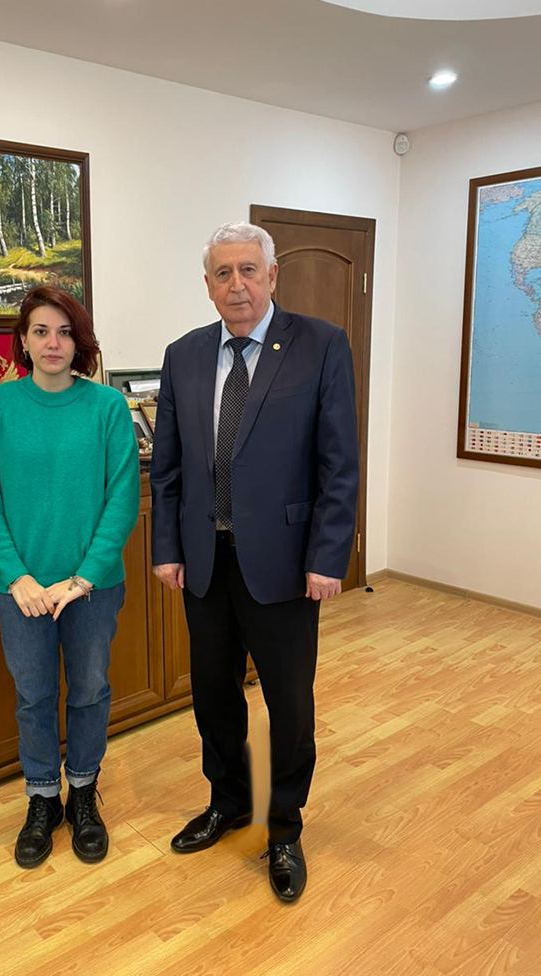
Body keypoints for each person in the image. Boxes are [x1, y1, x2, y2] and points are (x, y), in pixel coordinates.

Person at [150, 222, 358, 902]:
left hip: (286, 564)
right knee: (213, 695)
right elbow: (169, 469)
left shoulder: (320, 344)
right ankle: (229, 802)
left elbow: (338, 464)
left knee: (288, 703)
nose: (236, 284)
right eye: (222, 273)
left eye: (248, 270)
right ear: (207, 284)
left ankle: (284, 826)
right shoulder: (183, 355)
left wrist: (329, 556)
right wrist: (168, 548)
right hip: (205, 562)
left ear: (272, 276)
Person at [0, 285, 140, 869]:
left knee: (89, 690)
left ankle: (84, 792)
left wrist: (83, 578)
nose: (53, 343)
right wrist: (15, 575)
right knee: (33, 695)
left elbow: (122, 499)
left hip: (91, 588)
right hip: (23, 592)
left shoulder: (107, 408)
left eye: (65, 332)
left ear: (79, 342)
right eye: (41, 331)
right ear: (23, 340)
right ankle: (43, 799)